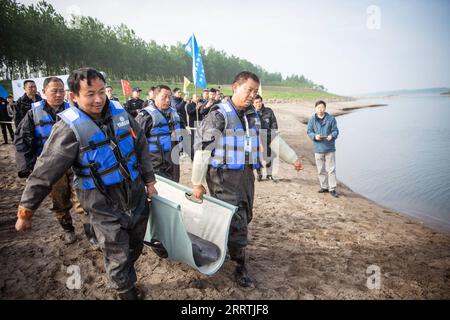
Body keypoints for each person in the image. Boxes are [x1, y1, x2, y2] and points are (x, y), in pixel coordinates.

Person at [15, 68, 158, 300]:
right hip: (101, 200)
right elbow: (44, 170)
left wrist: (149, 180)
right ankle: (125, 291)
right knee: (116, 250)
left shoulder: (121, 112)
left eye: (101, 91)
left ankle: (123, 272)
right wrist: (26, 210)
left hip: (134, 192)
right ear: (75, 97)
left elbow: (140, 144)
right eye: (90, 94)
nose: (99, 98)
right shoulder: (68, 128)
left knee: (134, 243)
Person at [191, 71, 303, 288]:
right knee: (237, 220)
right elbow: (203, 150)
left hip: (245, 174)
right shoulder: (218, 115)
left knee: (245, 214)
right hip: (222, 177)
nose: (252, 95)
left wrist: (293, 158)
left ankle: (222, 248)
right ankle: (240, 266)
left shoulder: (253, 115)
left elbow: (269, 138)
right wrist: (197, 182)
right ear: (235, 87)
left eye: (255, 91)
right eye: (248, 90)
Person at [13, 77, 87, 244]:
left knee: (83, 201)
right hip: (51, 168)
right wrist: (28, 166)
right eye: (54, 91)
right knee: (60, 202)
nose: (59, 94)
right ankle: (68, 230)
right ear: (44, 92)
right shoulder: (33, 114)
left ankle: (92, 235)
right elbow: (22, 140)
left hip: (75, 165)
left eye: (62, 90)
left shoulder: (74, 111)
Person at [135, 85, 183, 182]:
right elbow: (135, 142)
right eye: (164, 97)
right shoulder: (145, 116)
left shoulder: (175, 114)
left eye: (170, 97)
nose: (168, 100)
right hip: (155, 167)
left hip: (174, 165)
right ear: (155, 96)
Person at [307, 100, 339, 198]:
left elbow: (336, 131)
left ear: (325, 108)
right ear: (315, 108)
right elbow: (309, 131)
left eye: (322, 107)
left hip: (329, 148)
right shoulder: (312, 119)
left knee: (331, 170)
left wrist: (332, 136)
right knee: (320, 169)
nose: (320, 109)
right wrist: (314, 136)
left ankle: (332, 189)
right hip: (318, 148)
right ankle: (324, 187)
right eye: (318, 108)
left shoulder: (331, 119)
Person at [253, 95, 278, 181]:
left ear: (262, 102)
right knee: (257, 158)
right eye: (256, 102)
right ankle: (259, 173)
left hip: (268, 138)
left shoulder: (269, 111)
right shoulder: (251, 113)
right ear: (253, 103)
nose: (258, 104)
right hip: (256, 139)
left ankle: (269, 174)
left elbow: (274, 124)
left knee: (268, 157)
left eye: (259, 102)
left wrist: (272, 136)